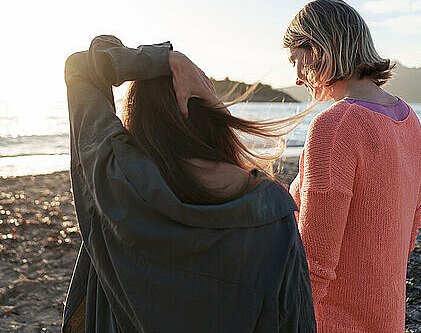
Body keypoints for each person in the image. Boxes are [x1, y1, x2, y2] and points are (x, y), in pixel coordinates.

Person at [62, 35, 316, 332]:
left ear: (139, 114)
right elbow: (296, 323)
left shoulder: (115, 176)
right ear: (208, 109)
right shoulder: (271, 213)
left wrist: (164, 60)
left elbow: (80, 66)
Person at [283, 0, 421, 332]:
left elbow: (314, 262)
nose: (298, 78)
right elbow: (414, 220)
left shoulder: (335, 125)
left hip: (333, 321)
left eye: (297, 61)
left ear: (320, 49)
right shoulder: (408, 117)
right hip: (387, 318)